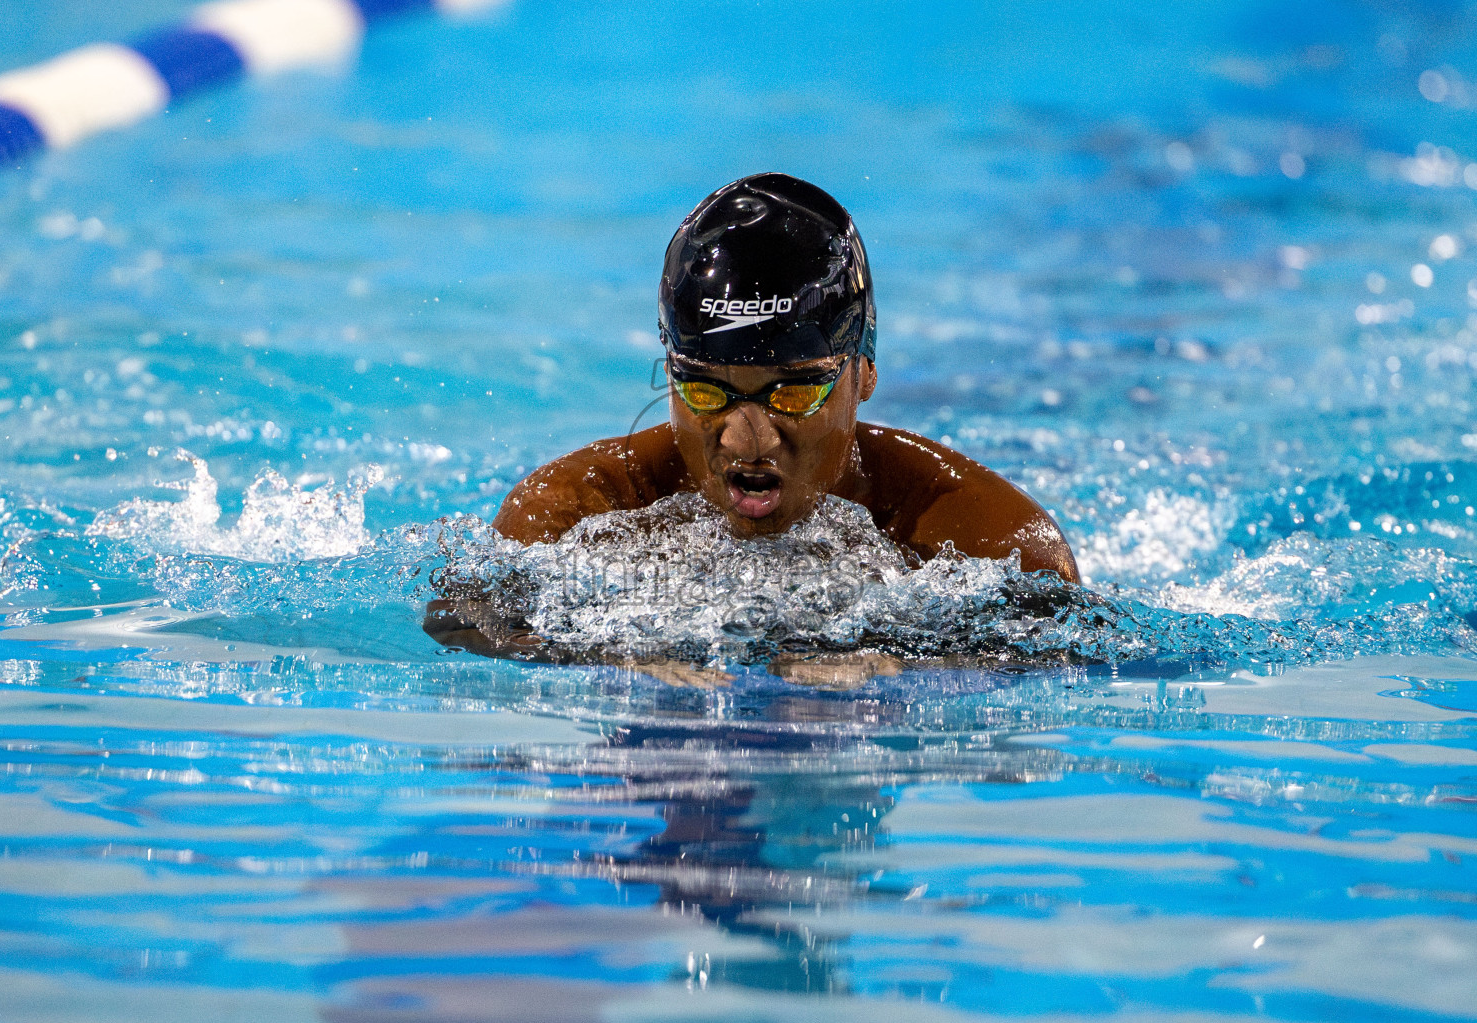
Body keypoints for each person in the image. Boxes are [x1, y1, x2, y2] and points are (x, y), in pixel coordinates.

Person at [427, 172, 1079, 674]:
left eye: (792, 394)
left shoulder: (974, 530)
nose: (745, 441)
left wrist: (900, 671)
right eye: (705, 392)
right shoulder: (583, 506)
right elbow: (460, 623)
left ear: (866, 374)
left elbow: (1065, 660)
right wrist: (601, 657)